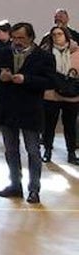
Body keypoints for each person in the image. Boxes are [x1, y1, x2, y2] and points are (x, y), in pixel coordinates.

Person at [0, 21, 55, 204]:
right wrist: (0, 76)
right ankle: (14, 185)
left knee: (33, 151)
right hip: (8, 107)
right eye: (14, 37)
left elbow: (49, 81)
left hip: (30, 109)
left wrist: (26, 79)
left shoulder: (44, 57)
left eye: (21, 38)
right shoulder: (4, 52)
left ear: (30, 38)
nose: (17, 41)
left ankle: (34, 189)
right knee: (11, 150)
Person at [41, 24, 79, 165]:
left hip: (72, 94)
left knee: (70, 125)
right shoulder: (46, 52)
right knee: (49, 125)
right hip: (51, 93)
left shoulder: (76, 51)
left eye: (60, 34)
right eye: (54, 35)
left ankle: (71, 153)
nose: (57, 37)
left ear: (66, 35)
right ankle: (47, 150)